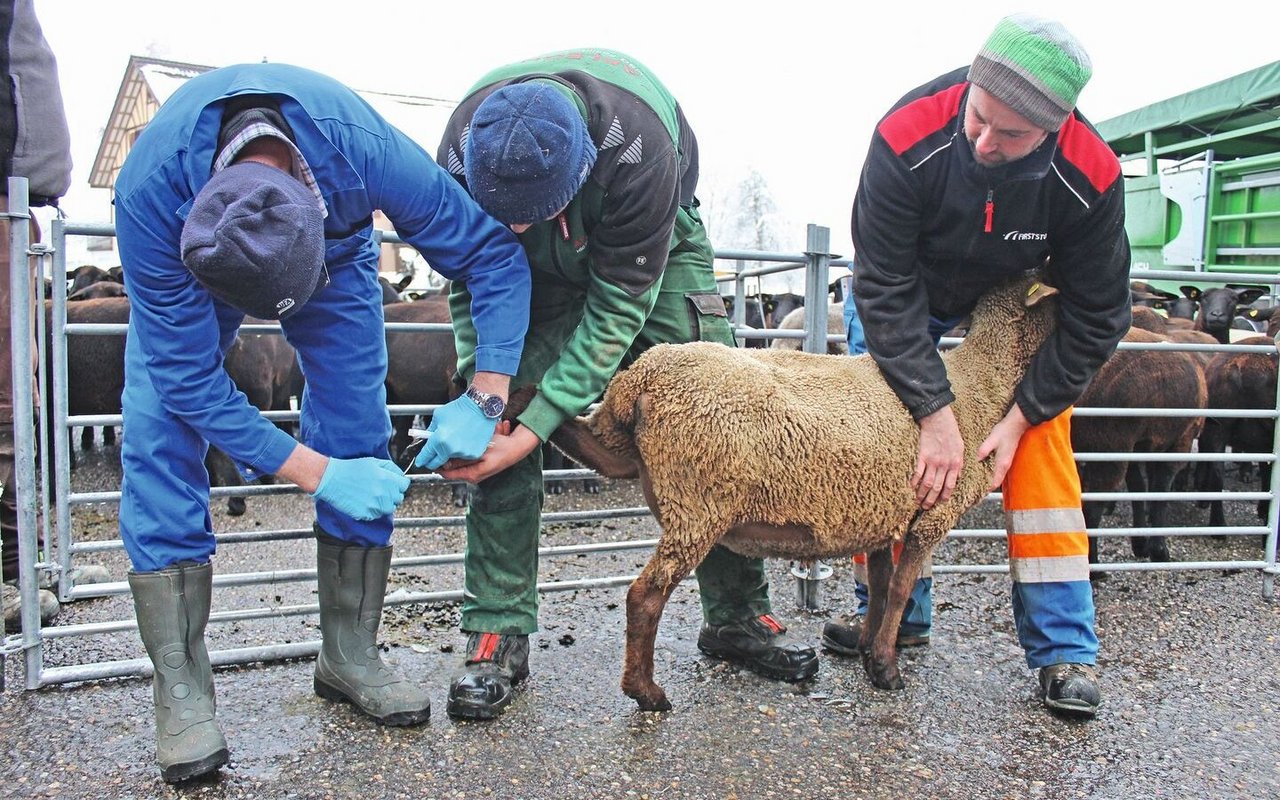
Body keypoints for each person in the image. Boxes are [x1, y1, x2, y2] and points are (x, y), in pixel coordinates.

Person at [112, 62, 532, 782]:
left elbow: (492, 253)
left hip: (333, 253)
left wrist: (487, 394)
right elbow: (188, 380)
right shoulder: (149, 193)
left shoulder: (363, 152)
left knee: (356, 414)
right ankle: (180, 689)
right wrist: (316, 473)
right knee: (158, 432)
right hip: (192, 261)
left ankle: (349, 652)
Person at [426, 47, 819, 721]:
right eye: (505, 212)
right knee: (499, 406)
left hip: (653, 251)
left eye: (531, 211)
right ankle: (497, 631)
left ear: (579, 171)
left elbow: (615, 309)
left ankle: (737, 615)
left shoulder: (639, 151)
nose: (516, 225)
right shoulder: (463, 154)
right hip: (522, 268)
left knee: (713, 420)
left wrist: (540, 427)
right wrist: (485, 390)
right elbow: (469, 277)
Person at [822, 14, 1130, 720]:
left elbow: (1098, 314)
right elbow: (883, 284)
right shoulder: (908, 134)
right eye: (979, 118)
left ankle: (1063, 650)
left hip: (1007, 299)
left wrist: (1022, 416)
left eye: (1012, 135)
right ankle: (893, 618)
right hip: (910, 294)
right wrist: (932, 414)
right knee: (896, 443)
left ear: (1056, 127)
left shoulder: (1090, 174)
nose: (986, 142)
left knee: (1042, 457)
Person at [0, 0, 73, 630]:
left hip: (19, 203)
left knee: (16, 408)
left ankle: (20, 567)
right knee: (4, 408)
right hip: (8, 201)